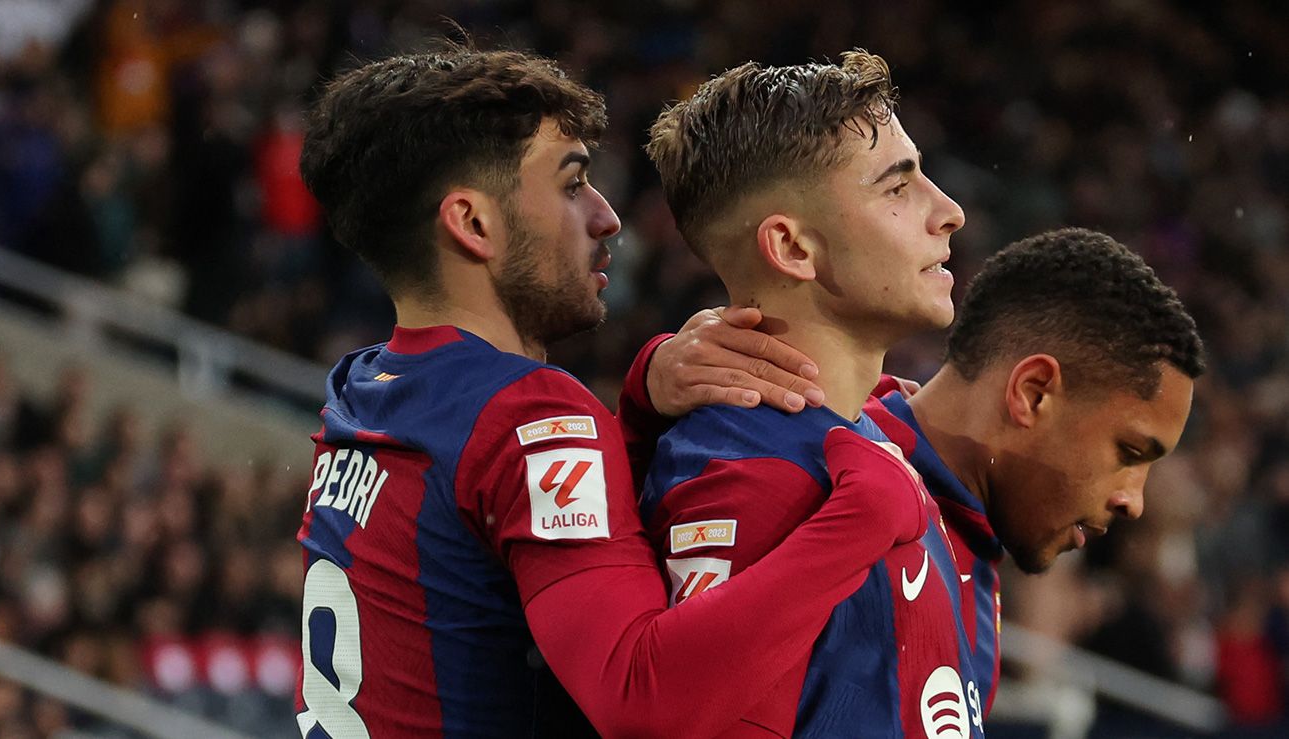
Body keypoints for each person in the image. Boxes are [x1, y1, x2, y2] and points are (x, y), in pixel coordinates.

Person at [293, 46, 928, 738]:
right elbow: (643, 699)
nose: (606, 217)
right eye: (572, 184)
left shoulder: (361, 392)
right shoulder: (530, 414)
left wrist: (640, 407)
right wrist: (863, 514)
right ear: (473, 224)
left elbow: (478, 539)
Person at [641, 49, 974, 737]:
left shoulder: (873, 444)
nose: (950, 211)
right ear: (793, 248)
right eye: (897, 187)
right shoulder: (744, 474)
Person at [861, 227, 1203, 728]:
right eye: (1128, 452)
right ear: (1034, 393)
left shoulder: (975, 569)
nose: (1135, 502)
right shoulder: (806, 466)